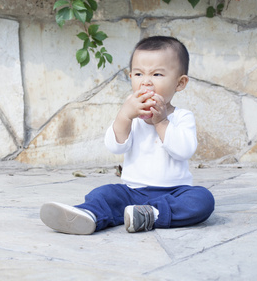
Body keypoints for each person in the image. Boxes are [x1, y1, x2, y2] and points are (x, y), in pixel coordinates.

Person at [40, 36, 215, 234]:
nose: (146, 82)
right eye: (139, 74)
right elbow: (115, 146)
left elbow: (184, 151)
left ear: (180, 83)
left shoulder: (182, 117)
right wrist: (124, 116)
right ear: (131, 77)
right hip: (132, 192)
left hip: (174, 192)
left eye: (157, 74)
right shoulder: (130, 115)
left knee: (202, 200)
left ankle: (151, 214)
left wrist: (161, 122)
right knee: (104, 193)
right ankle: (87, 215)